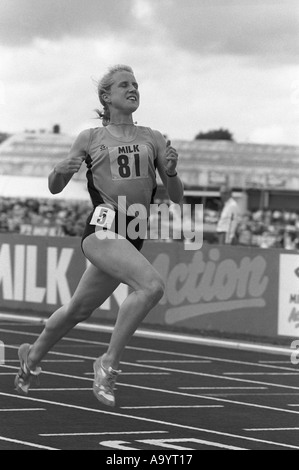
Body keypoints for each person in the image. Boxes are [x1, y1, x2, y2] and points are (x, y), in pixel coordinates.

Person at [14, 64, 184, 407]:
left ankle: (31, 358)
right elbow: (55, 187)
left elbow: (177, 196)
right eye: (125, 85)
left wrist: (172, 171)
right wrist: (56, 172)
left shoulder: (153, 137)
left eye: (136, 84)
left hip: (133, 234)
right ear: (107, 97)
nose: (133, 89)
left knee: (78, 308)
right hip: (103, 229)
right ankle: (108, 363)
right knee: (151, 286)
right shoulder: (90, 138)